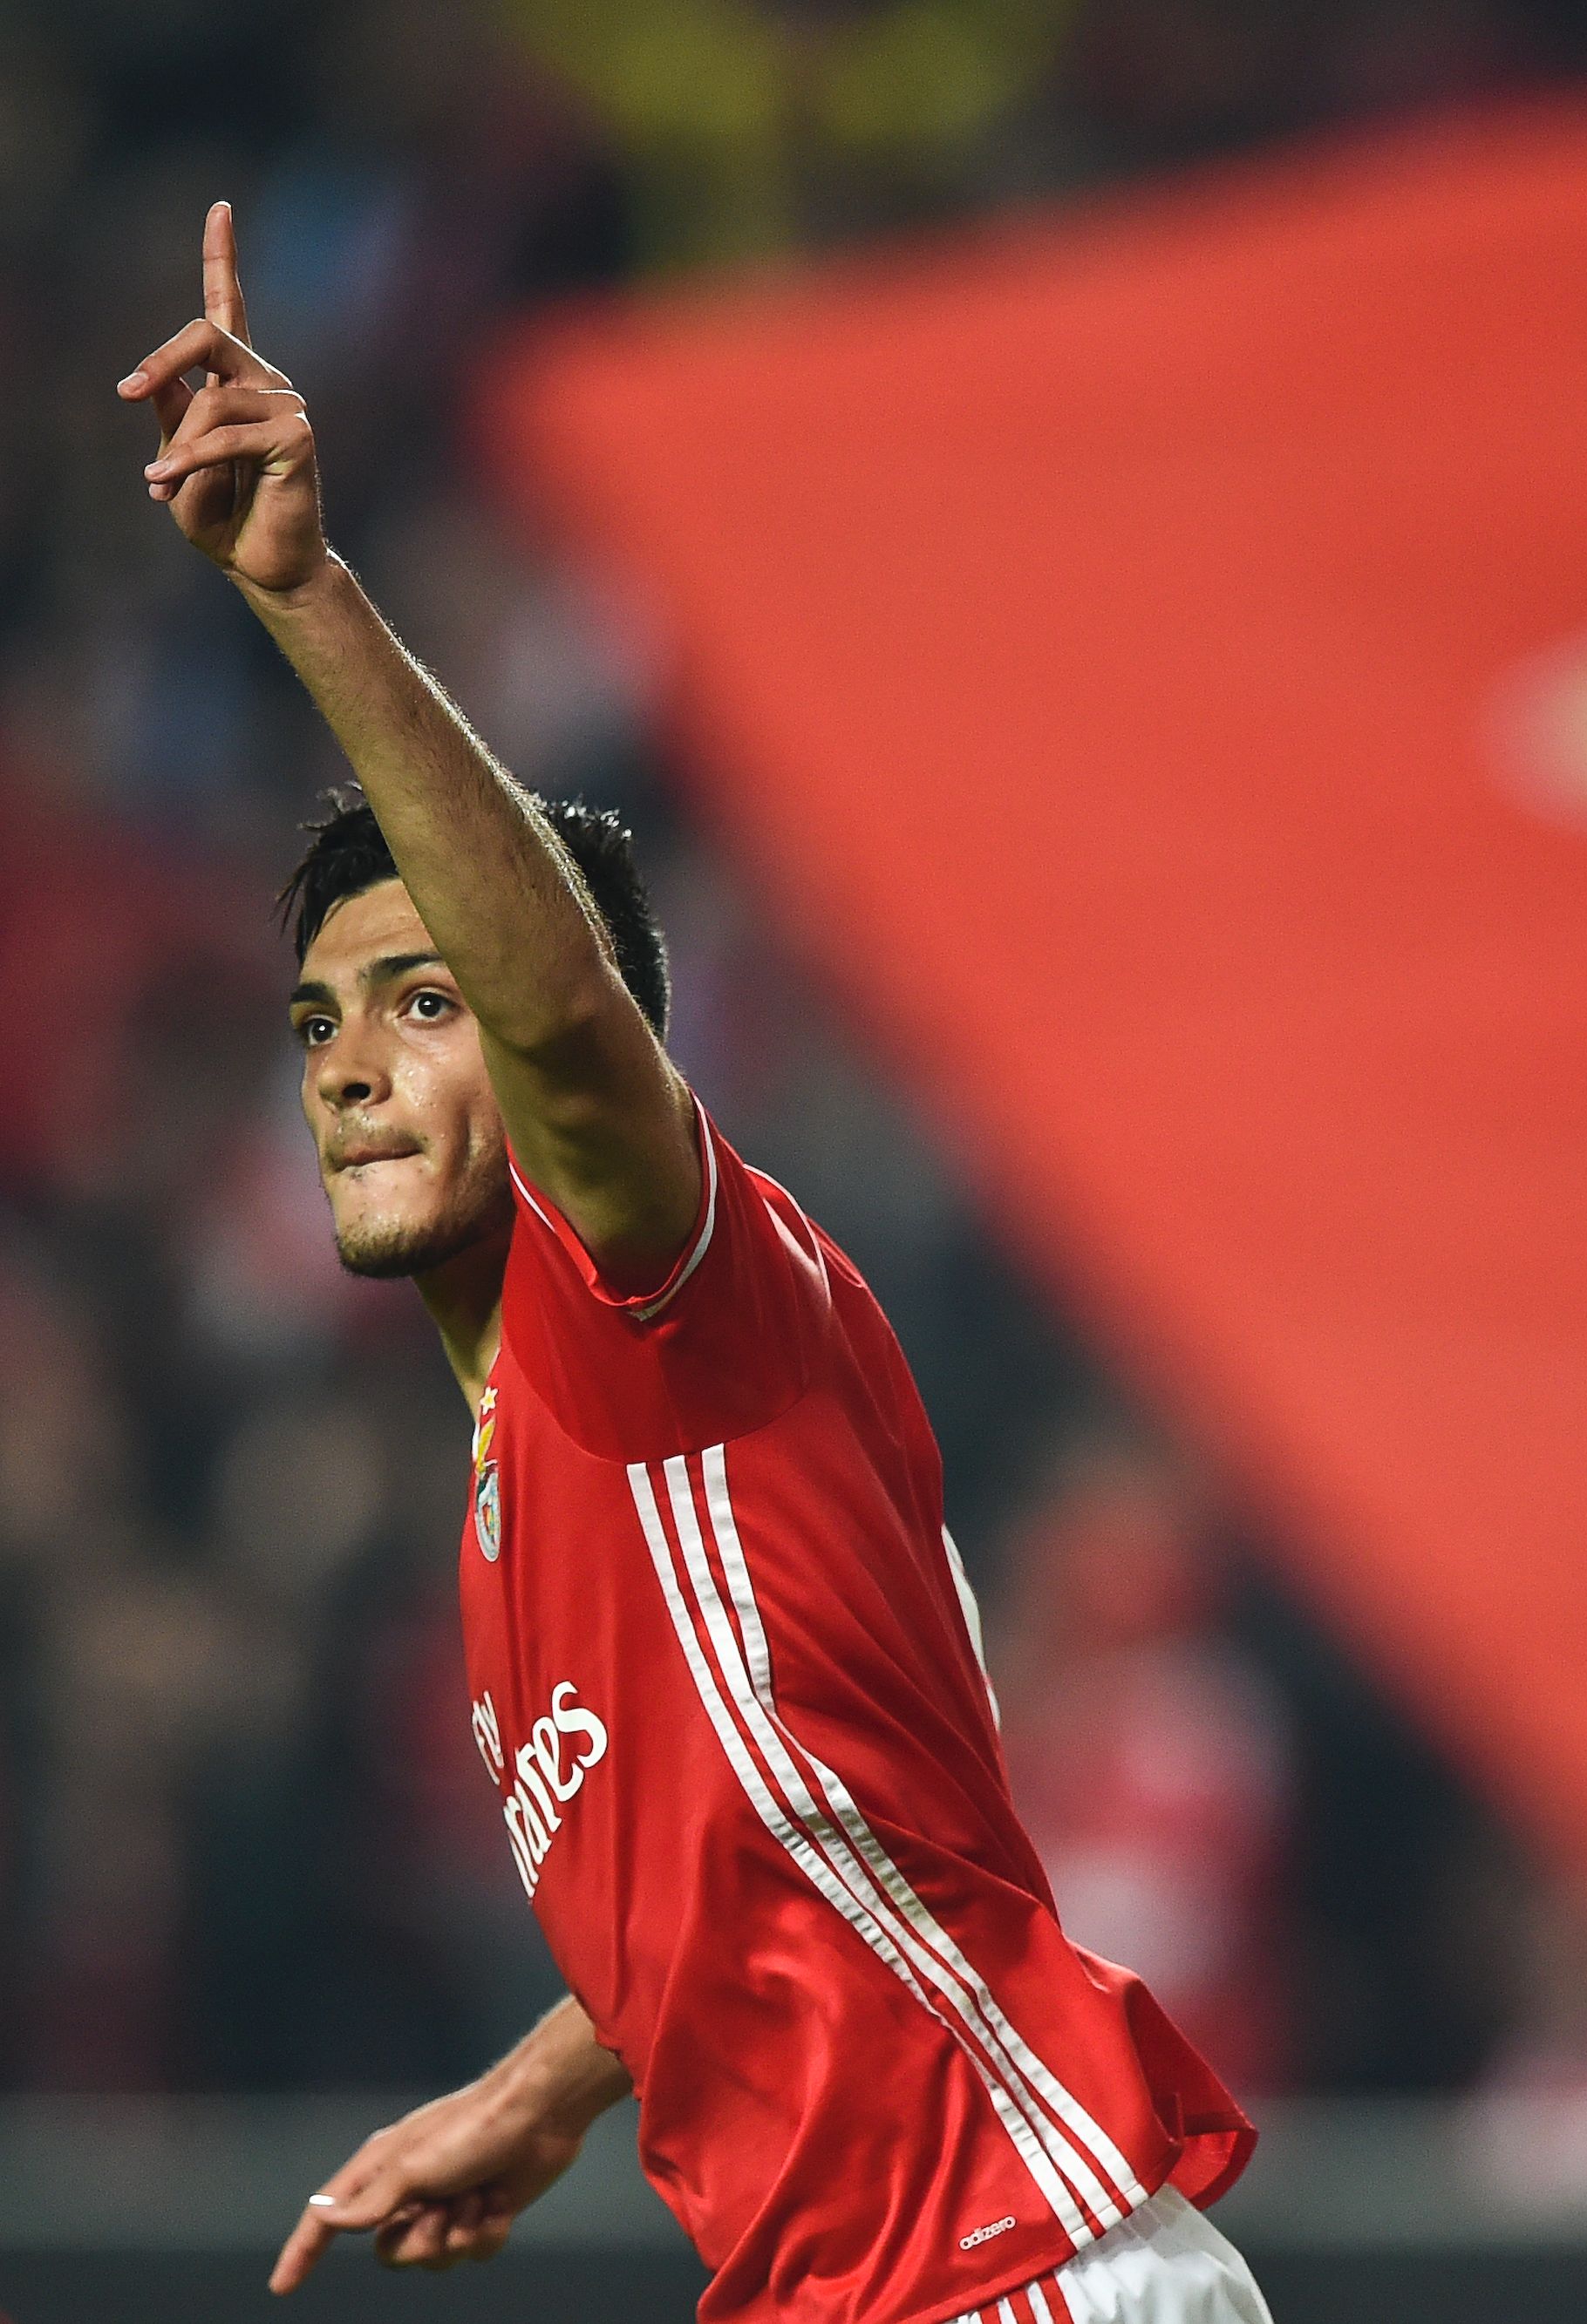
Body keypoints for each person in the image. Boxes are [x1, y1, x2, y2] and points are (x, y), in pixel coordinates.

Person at [119, 202, 1270, 2324]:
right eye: (316, 1022)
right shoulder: (539, 1495)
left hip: (1006, 2269)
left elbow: (567, 1024)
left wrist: (303, 591)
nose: (349, 1067)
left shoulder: (657, 1284)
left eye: (421, 999)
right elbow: (828, 1817)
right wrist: (552, 2082)